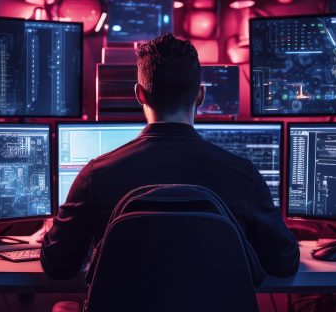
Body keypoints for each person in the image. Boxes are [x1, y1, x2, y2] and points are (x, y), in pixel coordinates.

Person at [41, 33, 299, 280]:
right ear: (200, 95)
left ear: (139, 94)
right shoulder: (243, 175)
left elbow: (59, 267)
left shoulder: (95, 175)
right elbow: (284, 263)